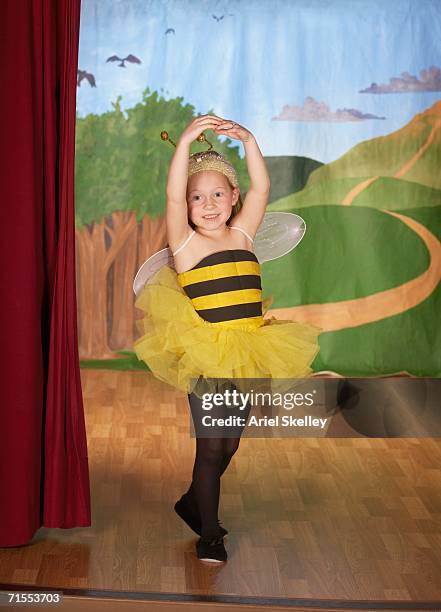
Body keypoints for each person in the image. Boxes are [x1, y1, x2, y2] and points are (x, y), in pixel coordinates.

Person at [133, 114, 323, 563]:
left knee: (231, 443)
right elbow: (172, 198)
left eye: (219, 194)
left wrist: (250, 141)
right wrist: (184, 142)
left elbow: (262, 189)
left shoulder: (243, 232)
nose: (209, 204)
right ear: (186, 204)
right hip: (207, 352)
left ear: (233, 198)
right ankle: (211, 533)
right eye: (197, 198)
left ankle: (191, 503)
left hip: (248, 349)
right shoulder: (185, 246)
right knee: (211, 445)